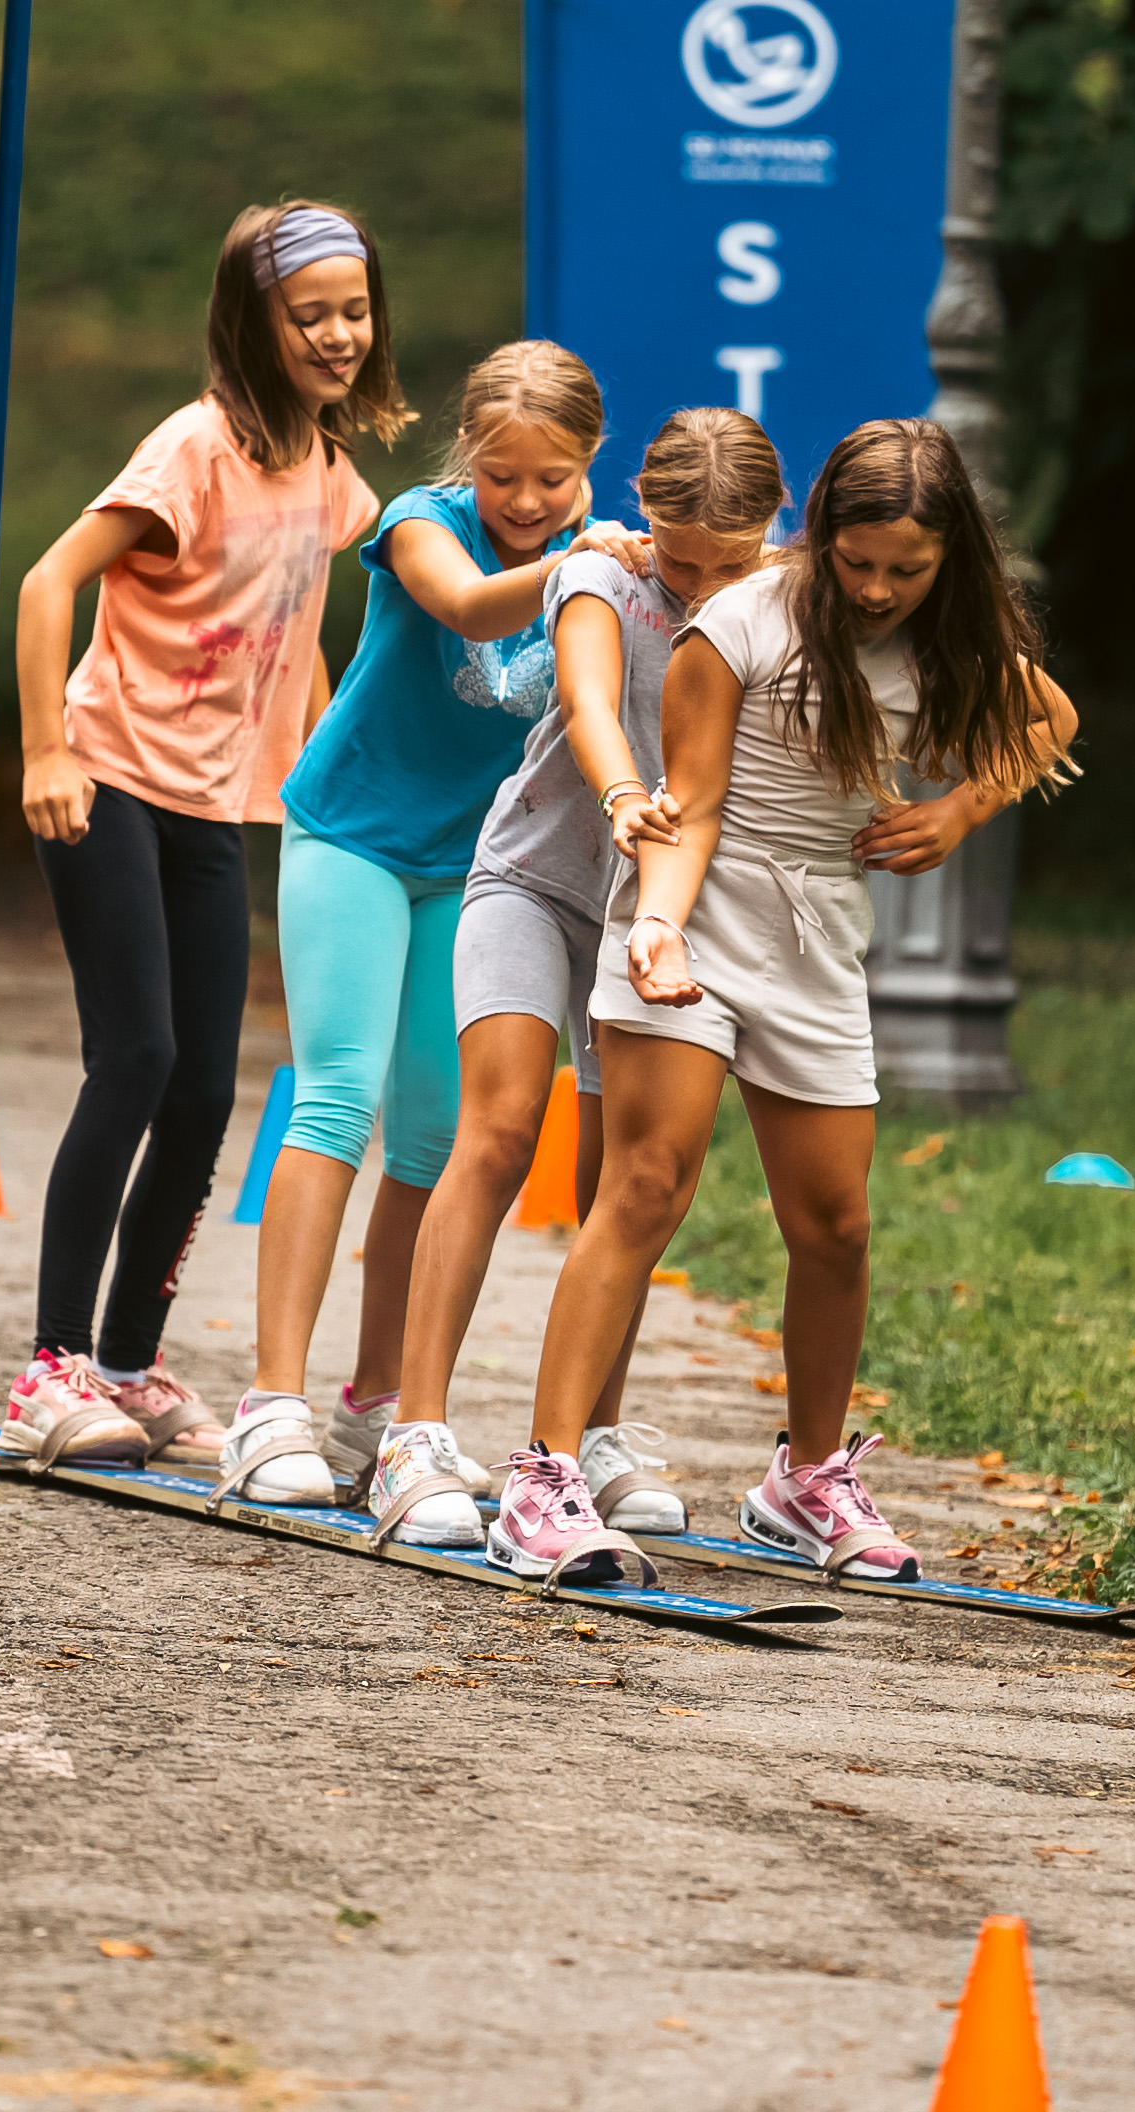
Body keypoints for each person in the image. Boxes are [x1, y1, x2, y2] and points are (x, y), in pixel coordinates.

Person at [490, 418, 1080, 1584]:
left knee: (836, 1227)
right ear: (822, 537)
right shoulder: (743, 623)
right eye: (855, 563)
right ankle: (545, 1479)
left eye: (904, 571)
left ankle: (806, 1479)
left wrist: (955, 813)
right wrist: (653, 929)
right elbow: (689, 805)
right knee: (646, 1183)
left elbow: (1049, 722)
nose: (873, 589)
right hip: (696, 912)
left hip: (815, 936)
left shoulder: (955, 639)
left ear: (947, 556)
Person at [0, 202, 402, 1474]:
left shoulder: (331, 477)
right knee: (138, 1055)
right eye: (310, 315)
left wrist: (331, 750)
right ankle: (49, 1370)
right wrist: (45, 751)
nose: (339, 334)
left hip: (227, 803)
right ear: (254, 322)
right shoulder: (193, 452)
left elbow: (307, 617)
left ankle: (128, 1359)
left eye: (354, 309)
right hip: (111, 776)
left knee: (206, 1089)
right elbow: (48, 580)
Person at [223, 340, 629, 1511]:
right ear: (471, 458)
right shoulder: (419, 522)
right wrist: (578, 569)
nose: (527, 502)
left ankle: (373, 1401)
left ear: (589, 463)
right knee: (337, 1095)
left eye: (554, 480)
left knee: (432, 1138)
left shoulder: (592, 561)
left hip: (474, 865)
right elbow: (461, 603)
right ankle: (271, 1402)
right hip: (348, 833)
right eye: (505, 476)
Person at [370, 408, 785, 1549]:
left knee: (625, 1175)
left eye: (728, 564)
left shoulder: (785, 596)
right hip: (537, 882)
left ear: (772, 527)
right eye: (678, 554)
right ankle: (416, 1434)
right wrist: (620, 798)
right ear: (641, 514)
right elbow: (595, 704)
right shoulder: (600, 573)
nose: (698, 585)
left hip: (651, 913)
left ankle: (590, 1440)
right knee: (498, 1130)